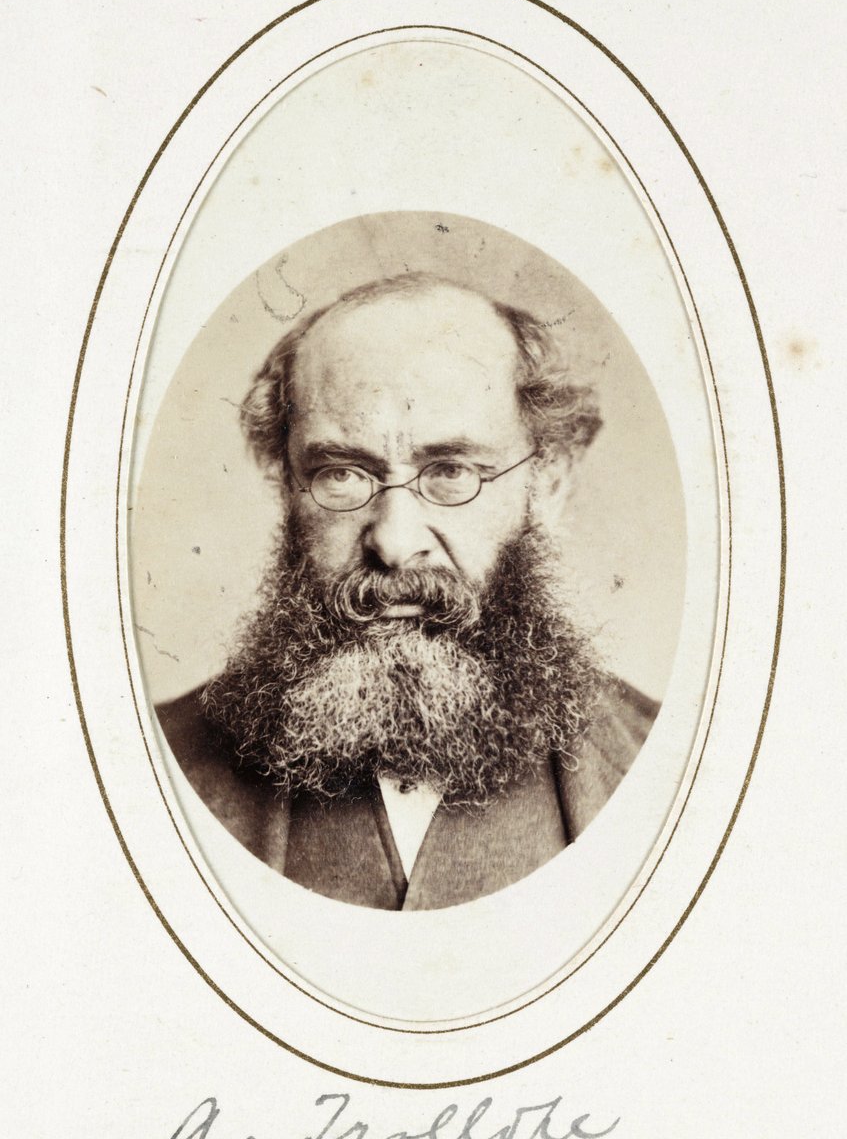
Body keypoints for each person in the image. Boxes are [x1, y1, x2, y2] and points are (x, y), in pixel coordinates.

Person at [157, 272, 659, 910]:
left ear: (549, 484)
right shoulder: (153, 769)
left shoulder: (670, 769)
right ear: (287, 486)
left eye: (451, 472)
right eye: (341, 474)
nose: (394, 542)